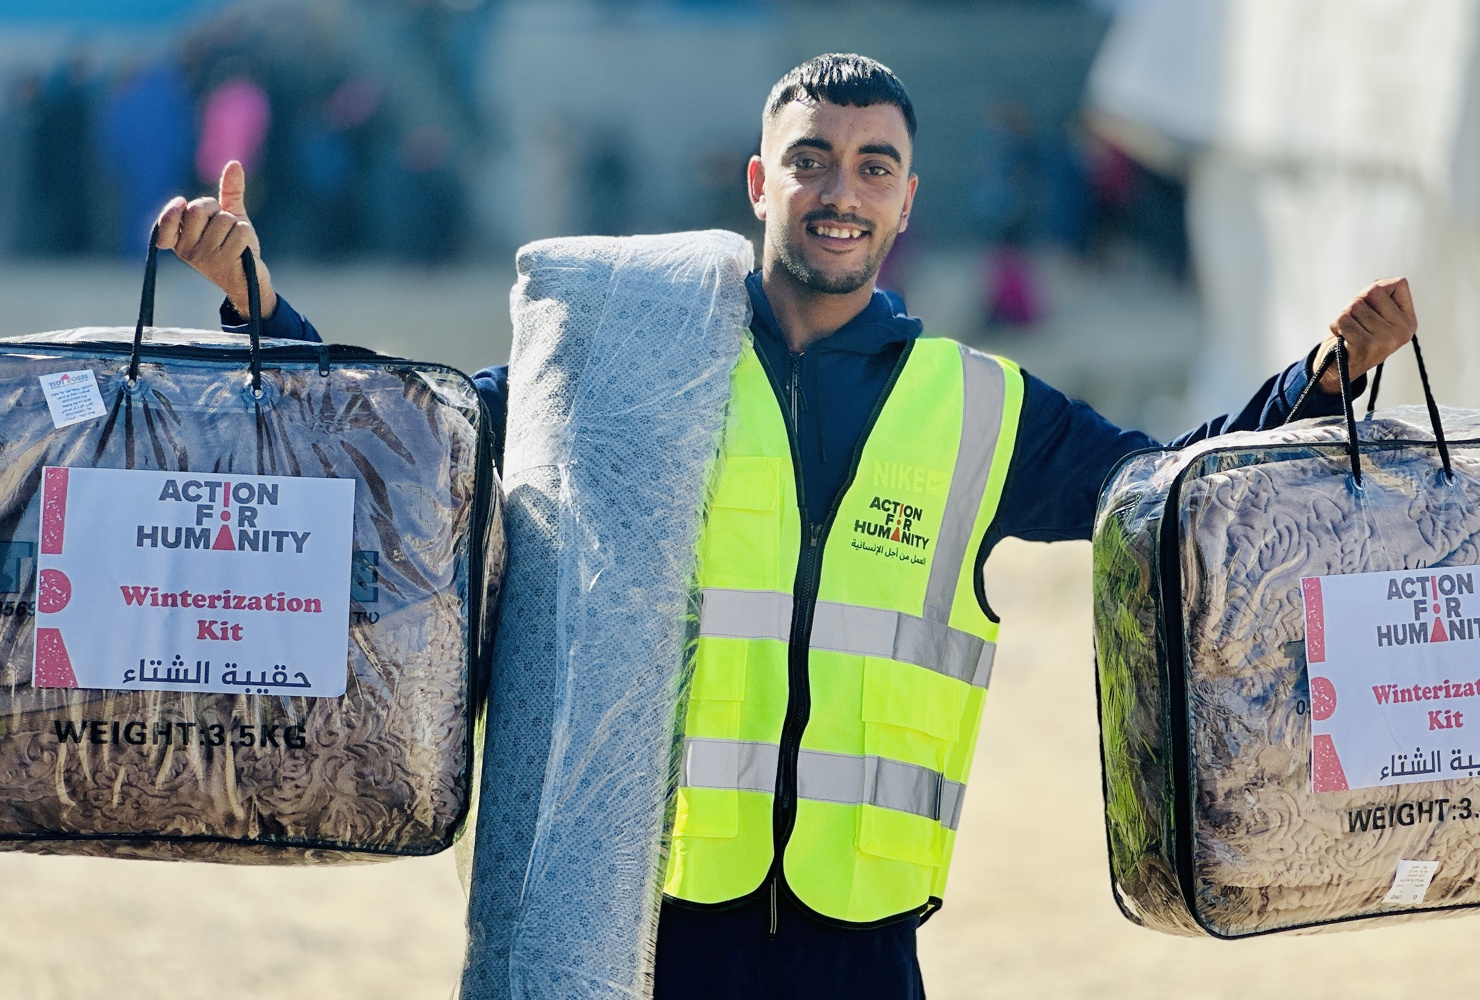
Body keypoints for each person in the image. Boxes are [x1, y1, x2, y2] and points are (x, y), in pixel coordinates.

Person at [154, 53, 1416, 1000]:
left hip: (863, 940)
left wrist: (1318, 382)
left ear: (907, 200)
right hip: (649, 924)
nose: (839, 191)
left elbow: (1166, 497)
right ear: (761, 182)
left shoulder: (983, 407)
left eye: (873, 166)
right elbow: (407, 442)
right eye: (811, 159)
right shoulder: (624, 360)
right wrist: (259, 305)